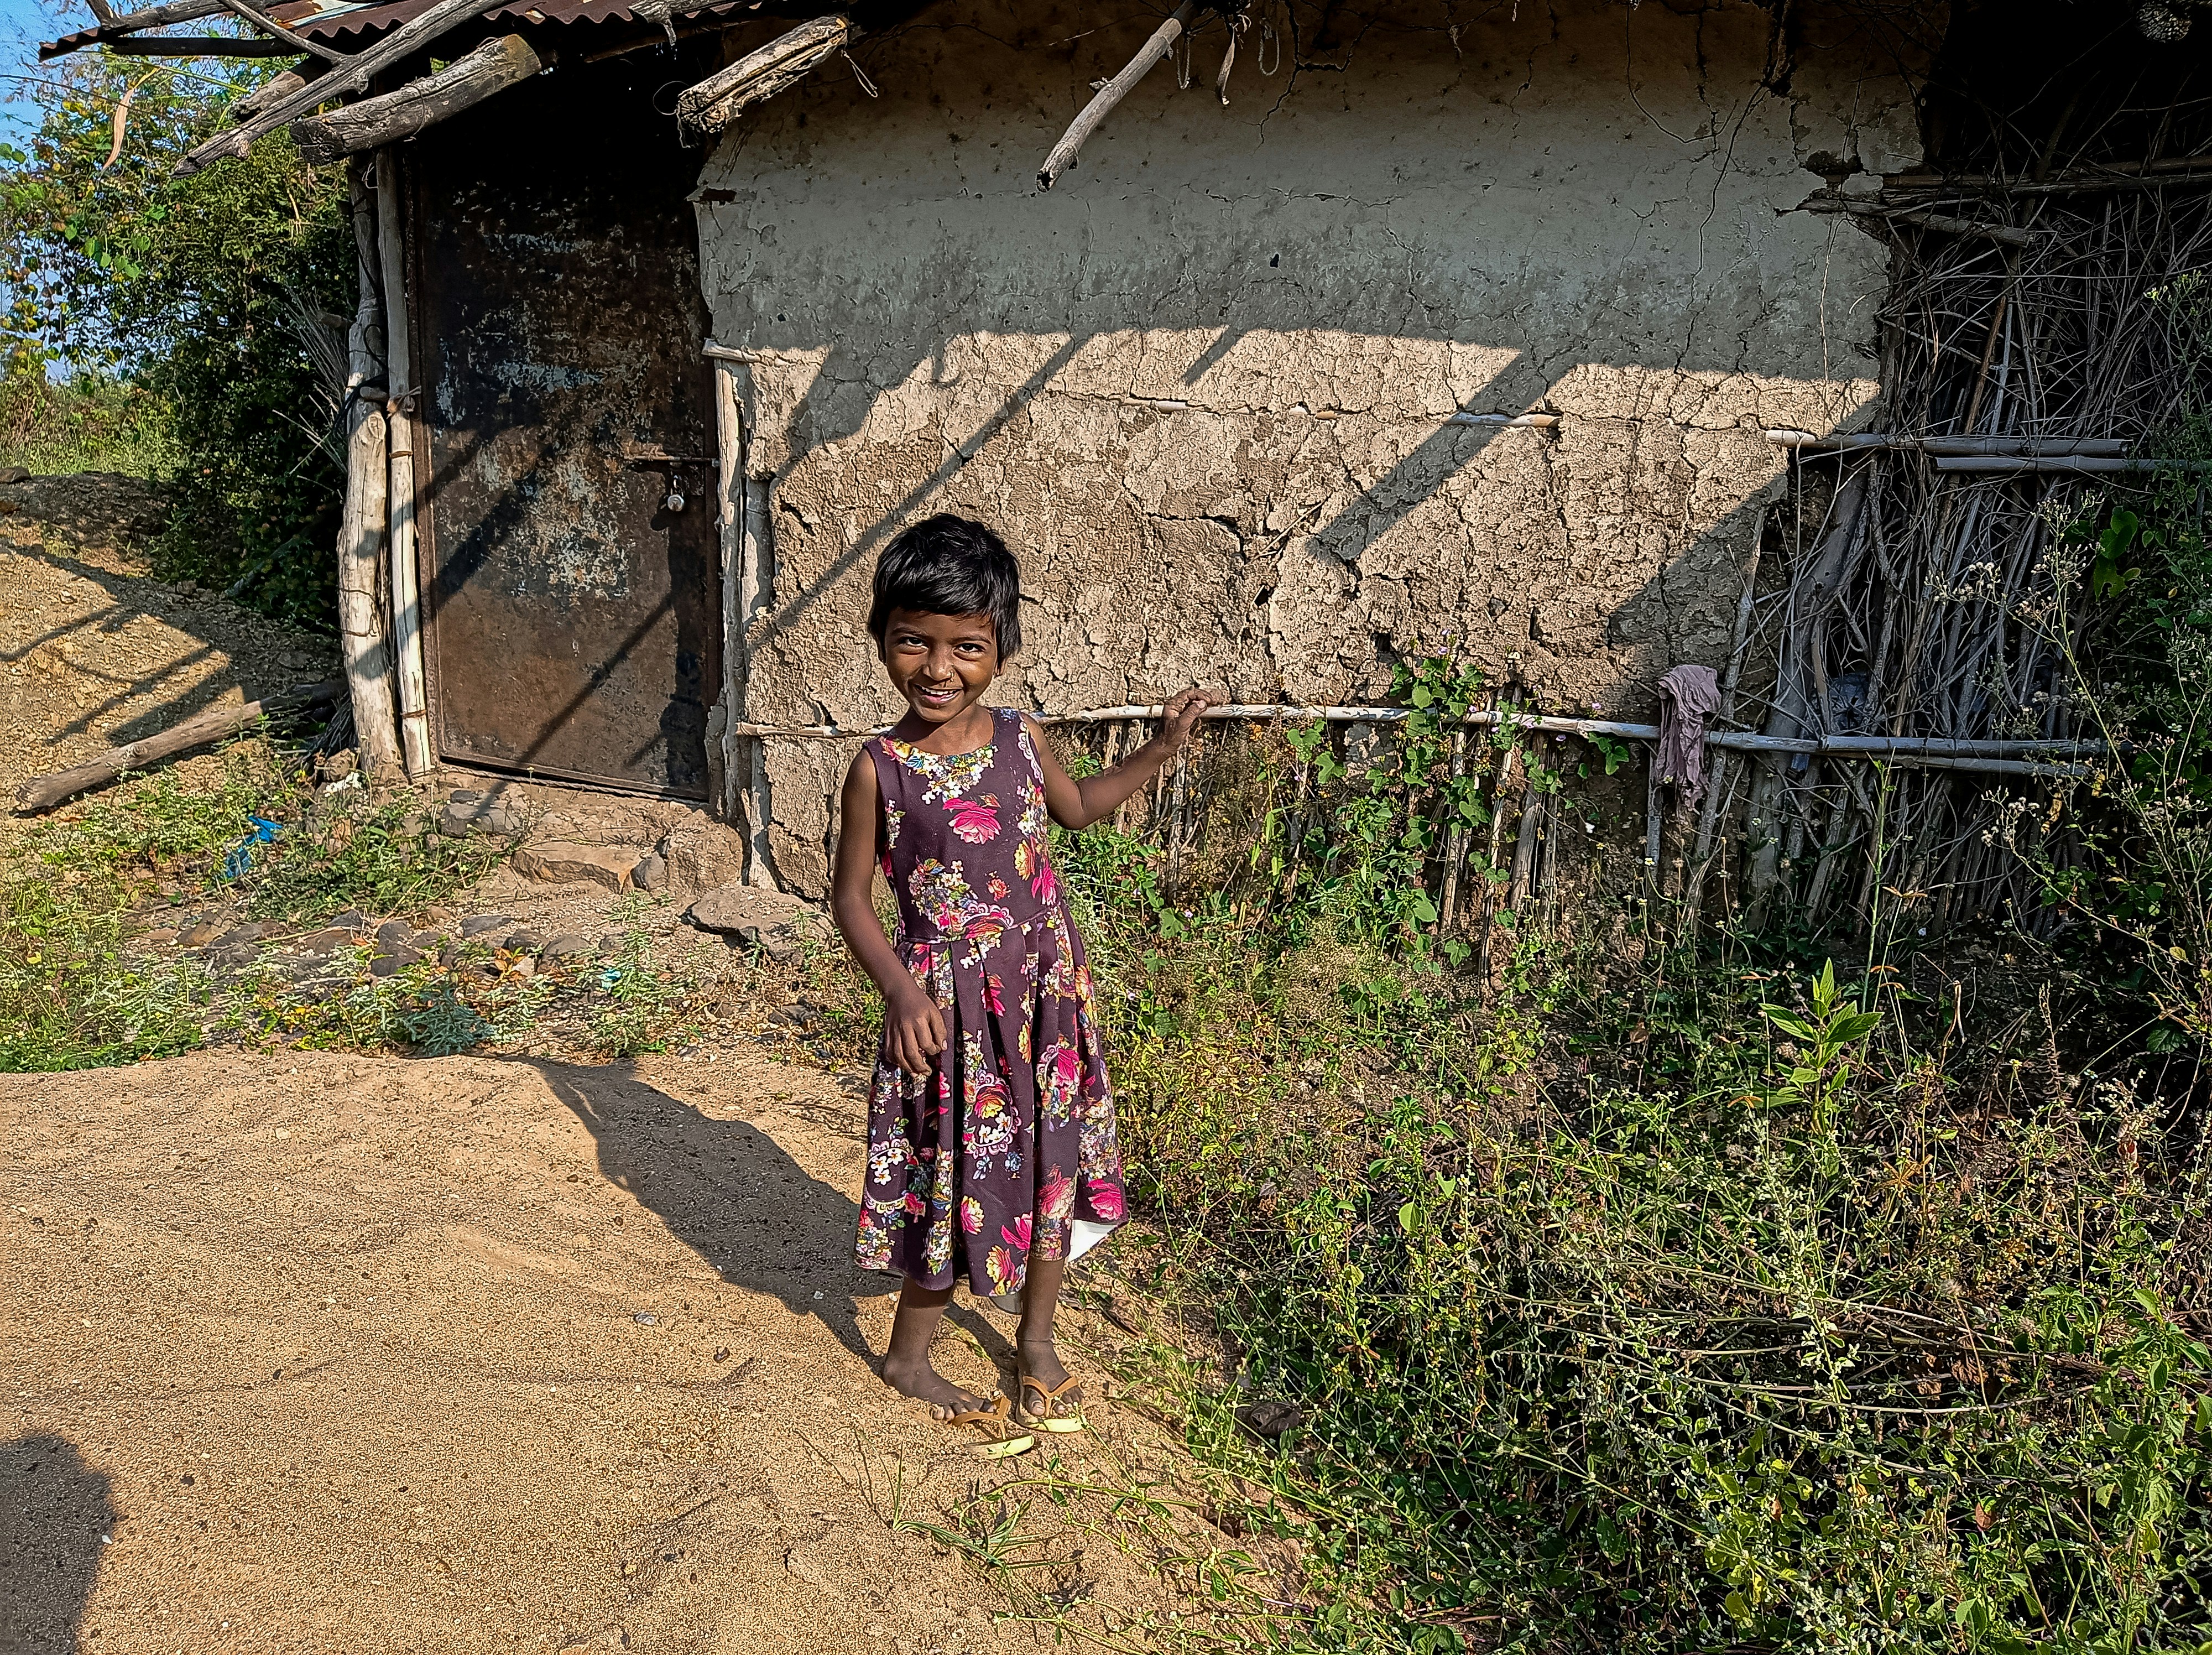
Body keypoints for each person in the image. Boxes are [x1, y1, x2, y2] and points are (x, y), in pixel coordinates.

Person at [830, 513, 1222, 1457]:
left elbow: (1079, 810)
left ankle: (1035, 1340)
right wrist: (901, 992)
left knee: (1051, 1163)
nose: (937, 668)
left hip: (1045, 997)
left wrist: (1160, 750)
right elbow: (847, 901)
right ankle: (908, 1355)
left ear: (1000, 650)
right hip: (946, 1014)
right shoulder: (879, 771)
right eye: (912, 642)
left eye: (966, 647)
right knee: (946, 1173)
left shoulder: (1020, 738)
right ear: (882, 639)